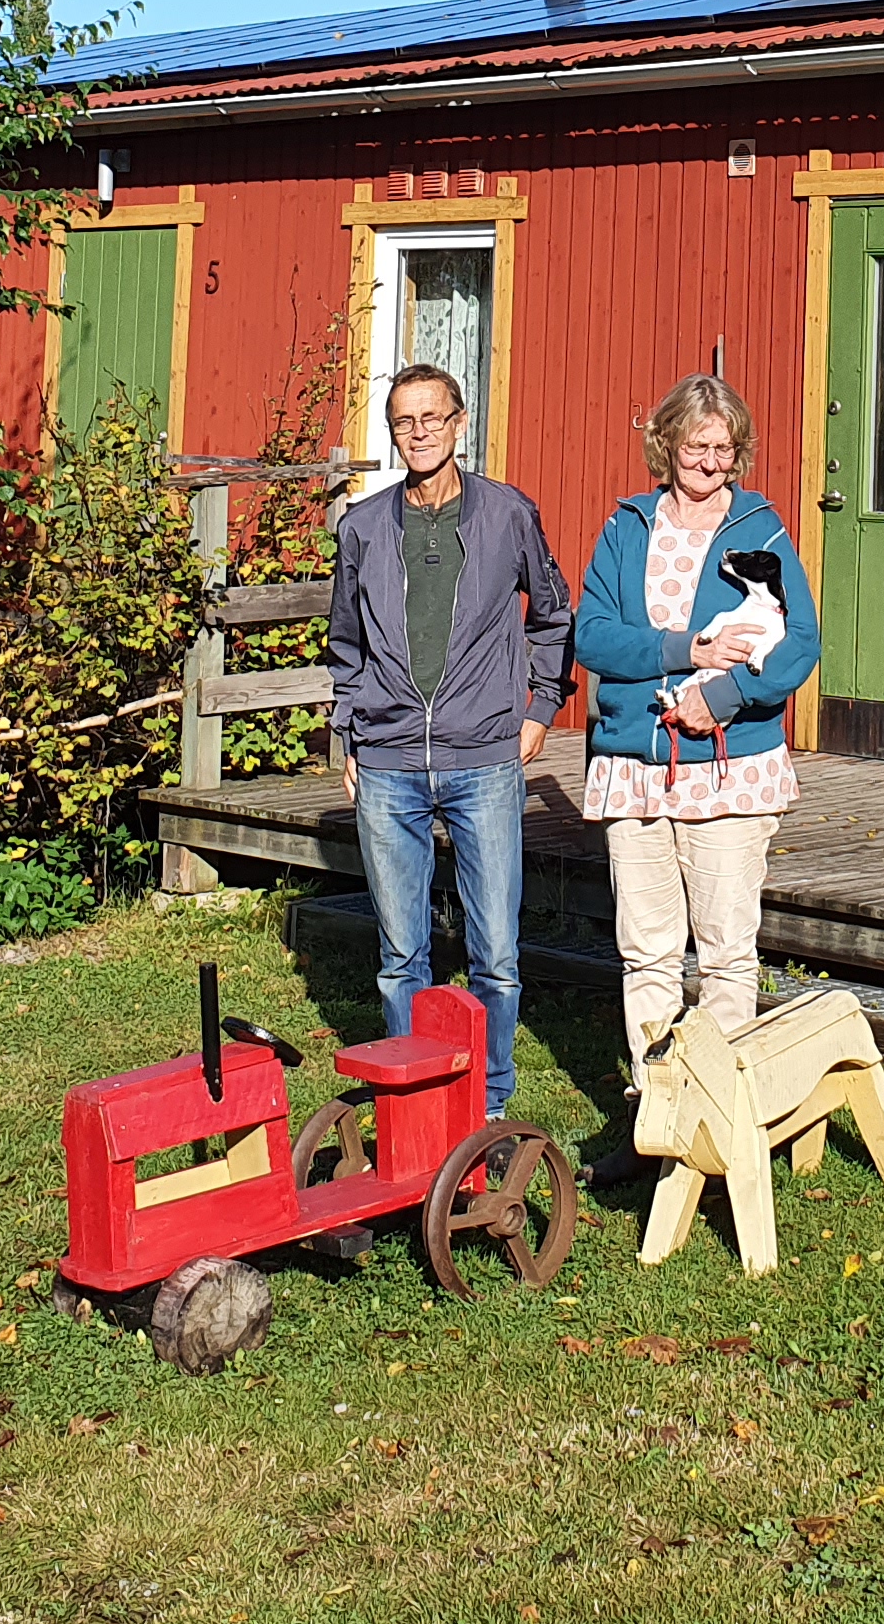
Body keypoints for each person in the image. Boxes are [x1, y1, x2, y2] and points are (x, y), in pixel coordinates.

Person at [320, 363, 571, 1121]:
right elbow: (345, 643)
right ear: (392, 432)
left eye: (433, 418)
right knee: (402, 959)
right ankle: (413, 1098)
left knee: (494, 954)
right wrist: (351, 737)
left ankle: (488, 1102)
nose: (419, 432)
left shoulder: (507, 515)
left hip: (485, 756)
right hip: (389, 761)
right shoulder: (363, 527)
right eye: (404, 421)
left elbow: (552, 615)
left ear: (461, 424)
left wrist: (540, 708)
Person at [571, 373, 822, 1081]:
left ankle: (721, 1117)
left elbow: (800, 640)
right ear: (666, 444)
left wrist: (729, 694)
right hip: (637, 765)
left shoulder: (759, 530)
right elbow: (591, 635)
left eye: (725, 448)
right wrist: (686, 652)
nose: (711, 463)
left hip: (726, 767)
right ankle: (657, 1111)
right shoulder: (627, 529)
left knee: (724, 953)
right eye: (696, 447)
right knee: (646, 953)